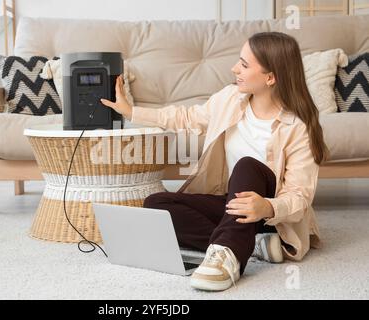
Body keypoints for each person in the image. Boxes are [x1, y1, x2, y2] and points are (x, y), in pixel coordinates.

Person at [100, 32, 329, 291]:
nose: (234, 69)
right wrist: (131, 111)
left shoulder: (298, 127)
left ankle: (228, 257)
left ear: (270, 77)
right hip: (233, 207)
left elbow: (300, 197)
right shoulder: (230, 98)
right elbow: (187, 118)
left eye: (244, 65)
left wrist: (266, 207)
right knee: (156, 204)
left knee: (246, 166)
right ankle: (250, 245)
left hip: (270, 215)